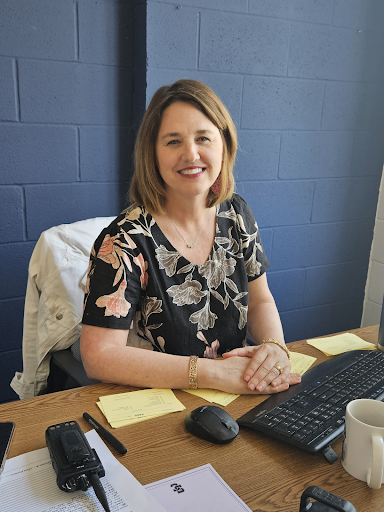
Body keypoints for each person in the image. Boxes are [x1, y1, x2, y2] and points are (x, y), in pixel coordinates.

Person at [80, 79, 301, 395]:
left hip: (236, 392)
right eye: (172, 142)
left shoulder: (236, 213)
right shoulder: (122, 242)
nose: (191, 153)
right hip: (161, 403)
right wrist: (212, 374)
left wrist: (274, 347)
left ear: (223, 145)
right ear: (152, 154)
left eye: (203, 138)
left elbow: (259, 300)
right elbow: (98, 356)